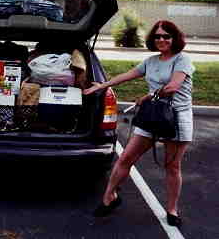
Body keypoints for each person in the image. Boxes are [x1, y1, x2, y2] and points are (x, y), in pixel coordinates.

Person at [83, 20, 195, 227]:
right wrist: (102, 86)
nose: (161, 40)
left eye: (166, 36)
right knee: (125, 157)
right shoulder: (150, 61)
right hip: (152, 115)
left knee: (172, 166)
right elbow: (128, 75)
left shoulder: (182, 60)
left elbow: (173, 87)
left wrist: (147, 96)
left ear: (174, 39)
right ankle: (110, 197)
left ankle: (172, 209)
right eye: (157, 36)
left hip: (177, 118)